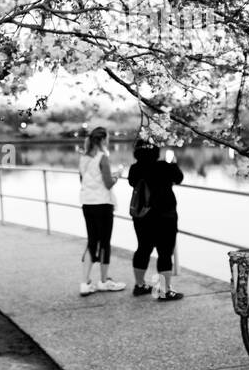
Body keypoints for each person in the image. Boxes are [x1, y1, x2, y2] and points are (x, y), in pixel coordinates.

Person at [128, 138, 184, 301]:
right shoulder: (165, 167)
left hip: (142, 216)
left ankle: (139, 285)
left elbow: (132, 183)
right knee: (165, 252)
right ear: (156, 151)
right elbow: (179, 178)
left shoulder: (135, 169)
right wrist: (173, 163)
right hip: (165, 216)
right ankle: (165, 290)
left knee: (143, 248)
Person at [78, 127, 125, 295]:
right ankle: (104, 281)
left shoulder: (83, 158)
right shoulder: (102, 157)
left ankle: (84, 283)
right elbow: (108, 183)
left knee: (92, 241)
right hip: (103, 204)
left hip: (87, 204)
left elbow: (83, 180)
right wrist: (117, 175)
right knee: (104, 242)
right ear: (103, 139)